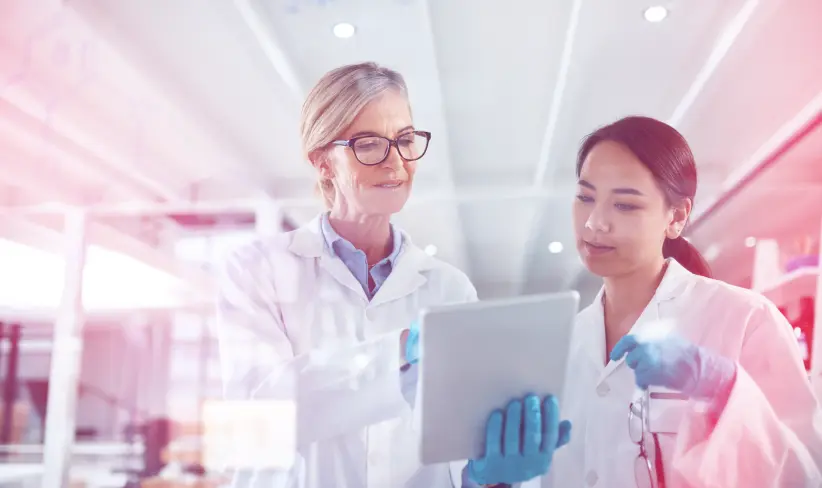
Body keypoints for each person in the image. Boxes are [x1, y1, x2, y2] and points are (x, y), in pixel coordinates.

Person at [465, 116, 822, 487]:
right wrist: (492, 480)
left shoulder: (745, 320)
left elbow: (804, 476)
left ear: (677, 217)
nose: (594, 223)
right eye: (586, 198)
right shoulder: (559, 345)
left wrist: (720, 388)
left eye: (625, 205)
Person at [216, 62, 476, 488]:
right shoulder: (257, 270)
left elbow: (457, 447)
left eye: (405, 140)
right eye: (369, 144)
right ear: (322, 163)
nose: (396, 162)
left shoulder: (450, 289)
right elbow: (254, 424)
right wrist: (397, 356)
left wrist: (486, 472)